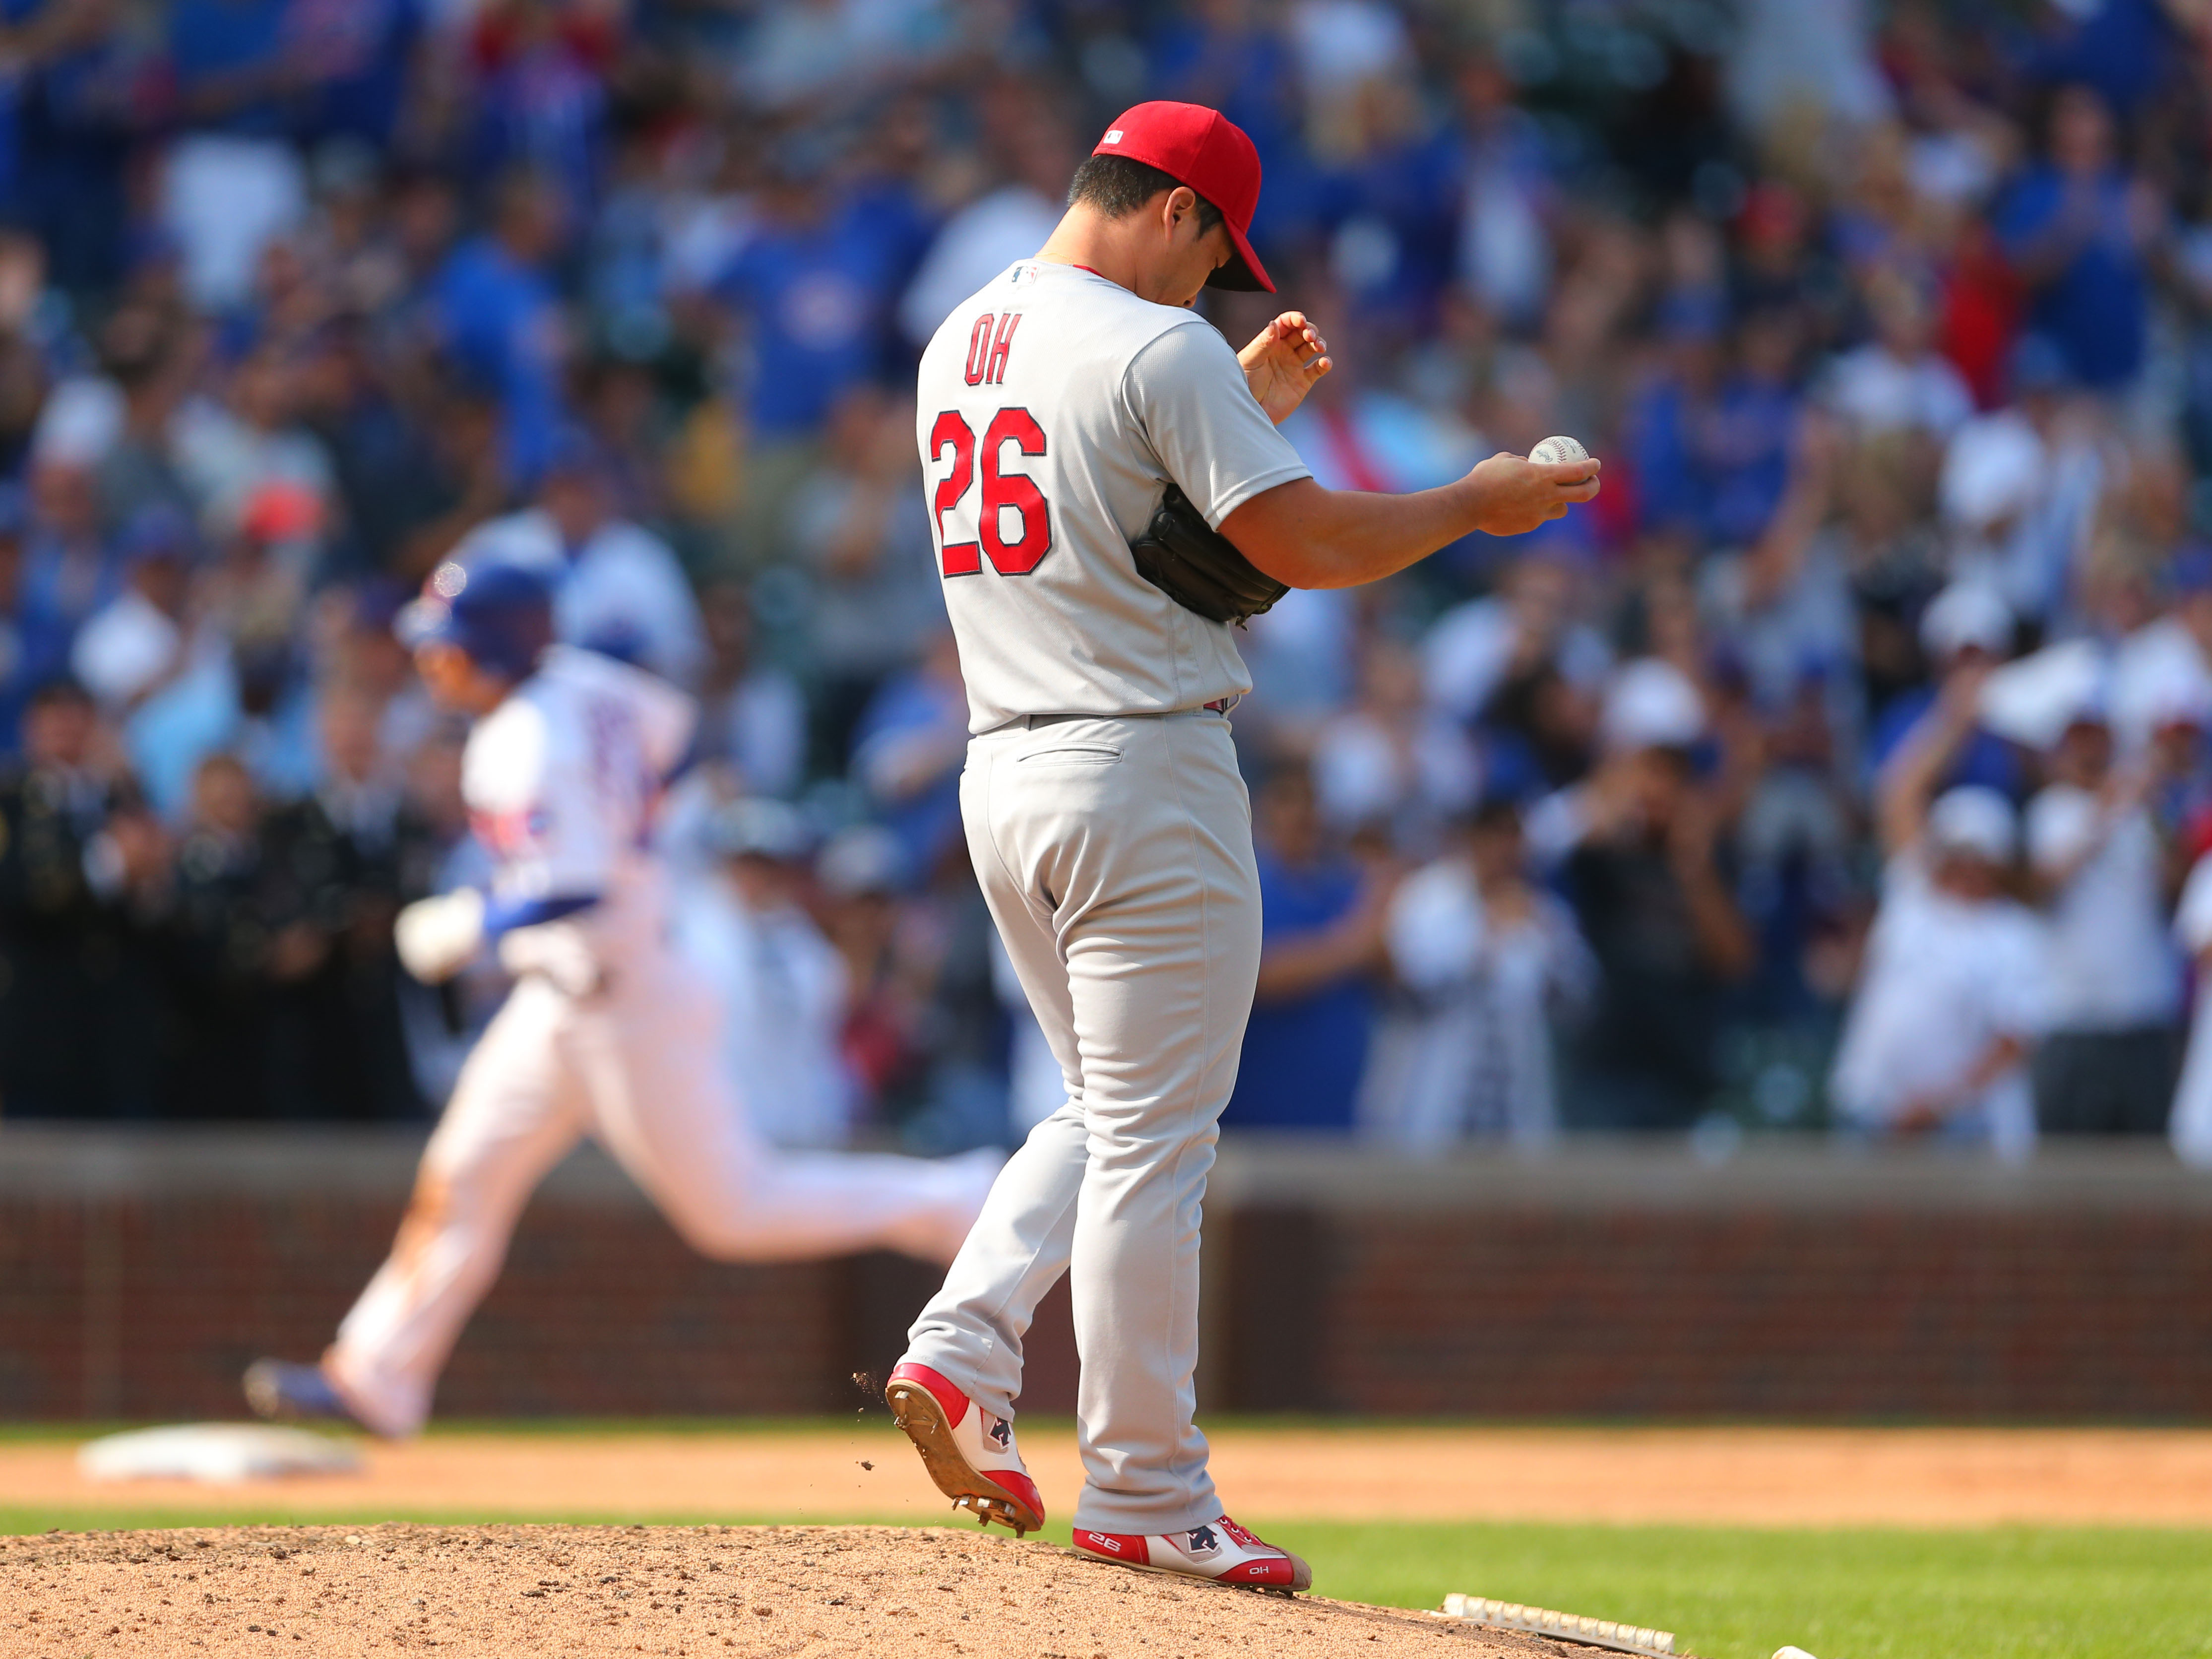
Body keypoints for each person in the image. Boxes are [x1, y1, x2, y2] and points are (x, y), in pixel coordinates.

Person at [881, 100, 1596, 1592]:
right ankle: (1144, 1483)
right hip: (1140, 765)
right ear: (1178, 212)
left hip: (1004, 770)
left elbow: (1121, 526)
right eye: (1213, 259)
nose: (1211, 292)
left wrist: (1234, 405)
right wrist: (1472, 504)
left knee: (1099, 1107)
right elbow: (1303, 551)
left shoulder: (961, 336)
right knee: (1156, 1138)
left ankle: (959, 1349)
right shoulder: (1160, 347)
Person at [242, 562, 998, 1438]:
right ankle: (376, 1376)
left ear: (489, 649)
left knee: (736, 1209)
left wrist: (471, 918)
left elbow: (578, 884)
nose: (430, 661)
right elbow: (680, 745)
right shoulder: (585, 681)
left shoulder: (532, 738)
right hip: (557, 997)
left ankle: (951, 1200)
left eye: (444, 646)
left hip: (623, 998)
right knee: (464, 1176)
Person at [1829, 665, 2050, 1159]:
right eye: (1956, 852)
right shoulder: (1912, 892)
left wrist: (1935, 1105)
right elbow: (1897, 790)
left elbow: (2013, 1041)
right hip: (1868, 1108)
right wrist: (1955, 719)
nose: (1965, 865)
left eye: (1977, 854)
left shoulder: (2013, 932)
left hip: (1956, 1128)